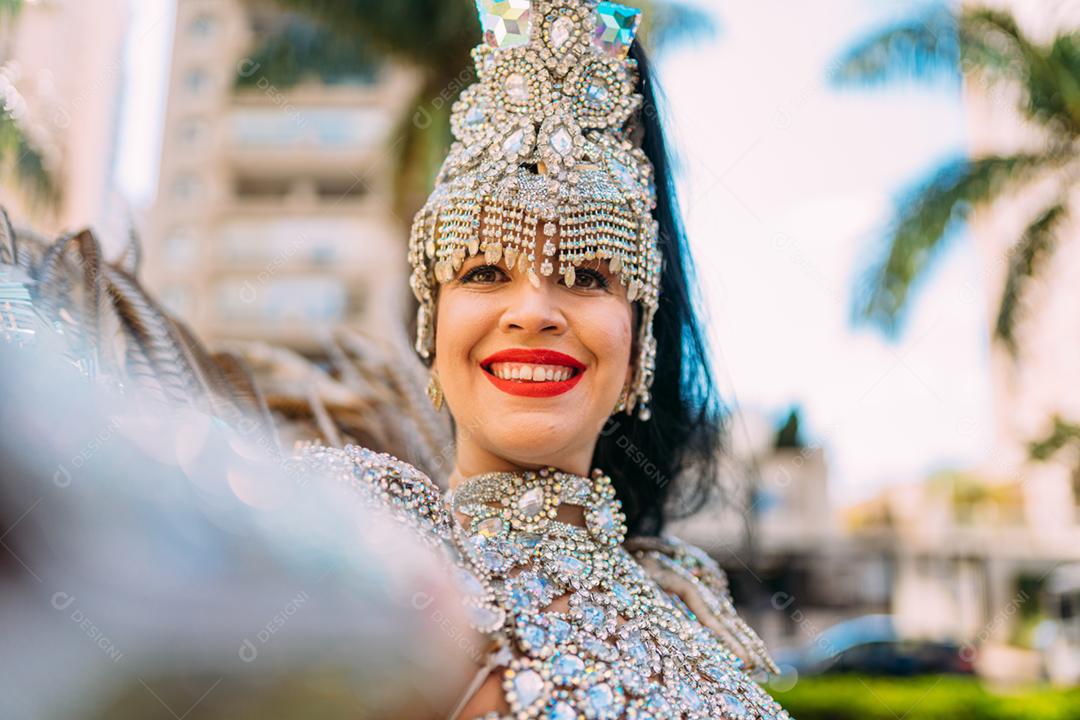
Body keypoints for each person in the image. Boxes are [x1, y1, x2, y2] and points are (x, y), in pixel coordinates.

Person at [0, 1, 794, 718]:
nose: (533, 312)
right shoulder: (352, 523)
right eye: (485, 273)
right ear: (433, 320)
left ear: (639, 339)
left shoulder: (686, 602)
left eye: (587, 275)